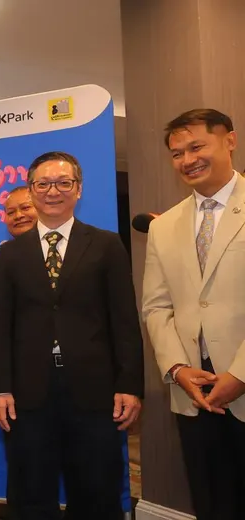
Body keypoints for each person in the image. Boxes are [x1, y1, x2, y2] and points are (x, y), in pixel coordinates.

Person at [0, 151, 143, 520]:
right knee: (31, 494)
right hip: (27, 395)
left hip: (95, 392)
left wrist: (130, 385)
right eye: (43, 184)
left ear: (78, 189)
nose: (53, 191)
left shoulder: (106, 245)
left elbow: (124, 320)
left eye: (63, 183)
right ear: (31, 190)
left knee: (97, 493)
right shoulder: (8, 256)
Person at [143, 108, 245, 520]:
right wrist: (178, 368)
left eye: (196, 147)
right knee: (211, 502)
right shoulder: (164, 225)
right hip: (193, 393)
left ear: (230, 140)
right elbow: (156, 306)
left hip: (241, 380)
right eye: (177, 153)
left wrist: (240, 374)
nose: (187, 160)